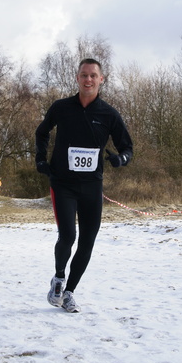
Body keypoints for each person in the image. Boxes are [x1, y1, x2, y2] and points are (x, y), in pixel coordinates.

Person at [35, 58, 133, 313]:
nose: (88, 80)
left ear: (102, 79)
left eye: (93, 76)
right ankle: (58, 278)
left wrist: (120, 160)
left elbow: (127, 148)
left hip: (92, 186)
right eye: (83, 75)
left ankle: (69, 293)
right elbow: (42, 132)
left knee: (87, 241)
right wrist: (40, 159)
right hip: (63, 184)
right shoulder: (61, 107)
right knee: (68, 235)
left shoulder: (109, 114)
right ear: (77, 78)